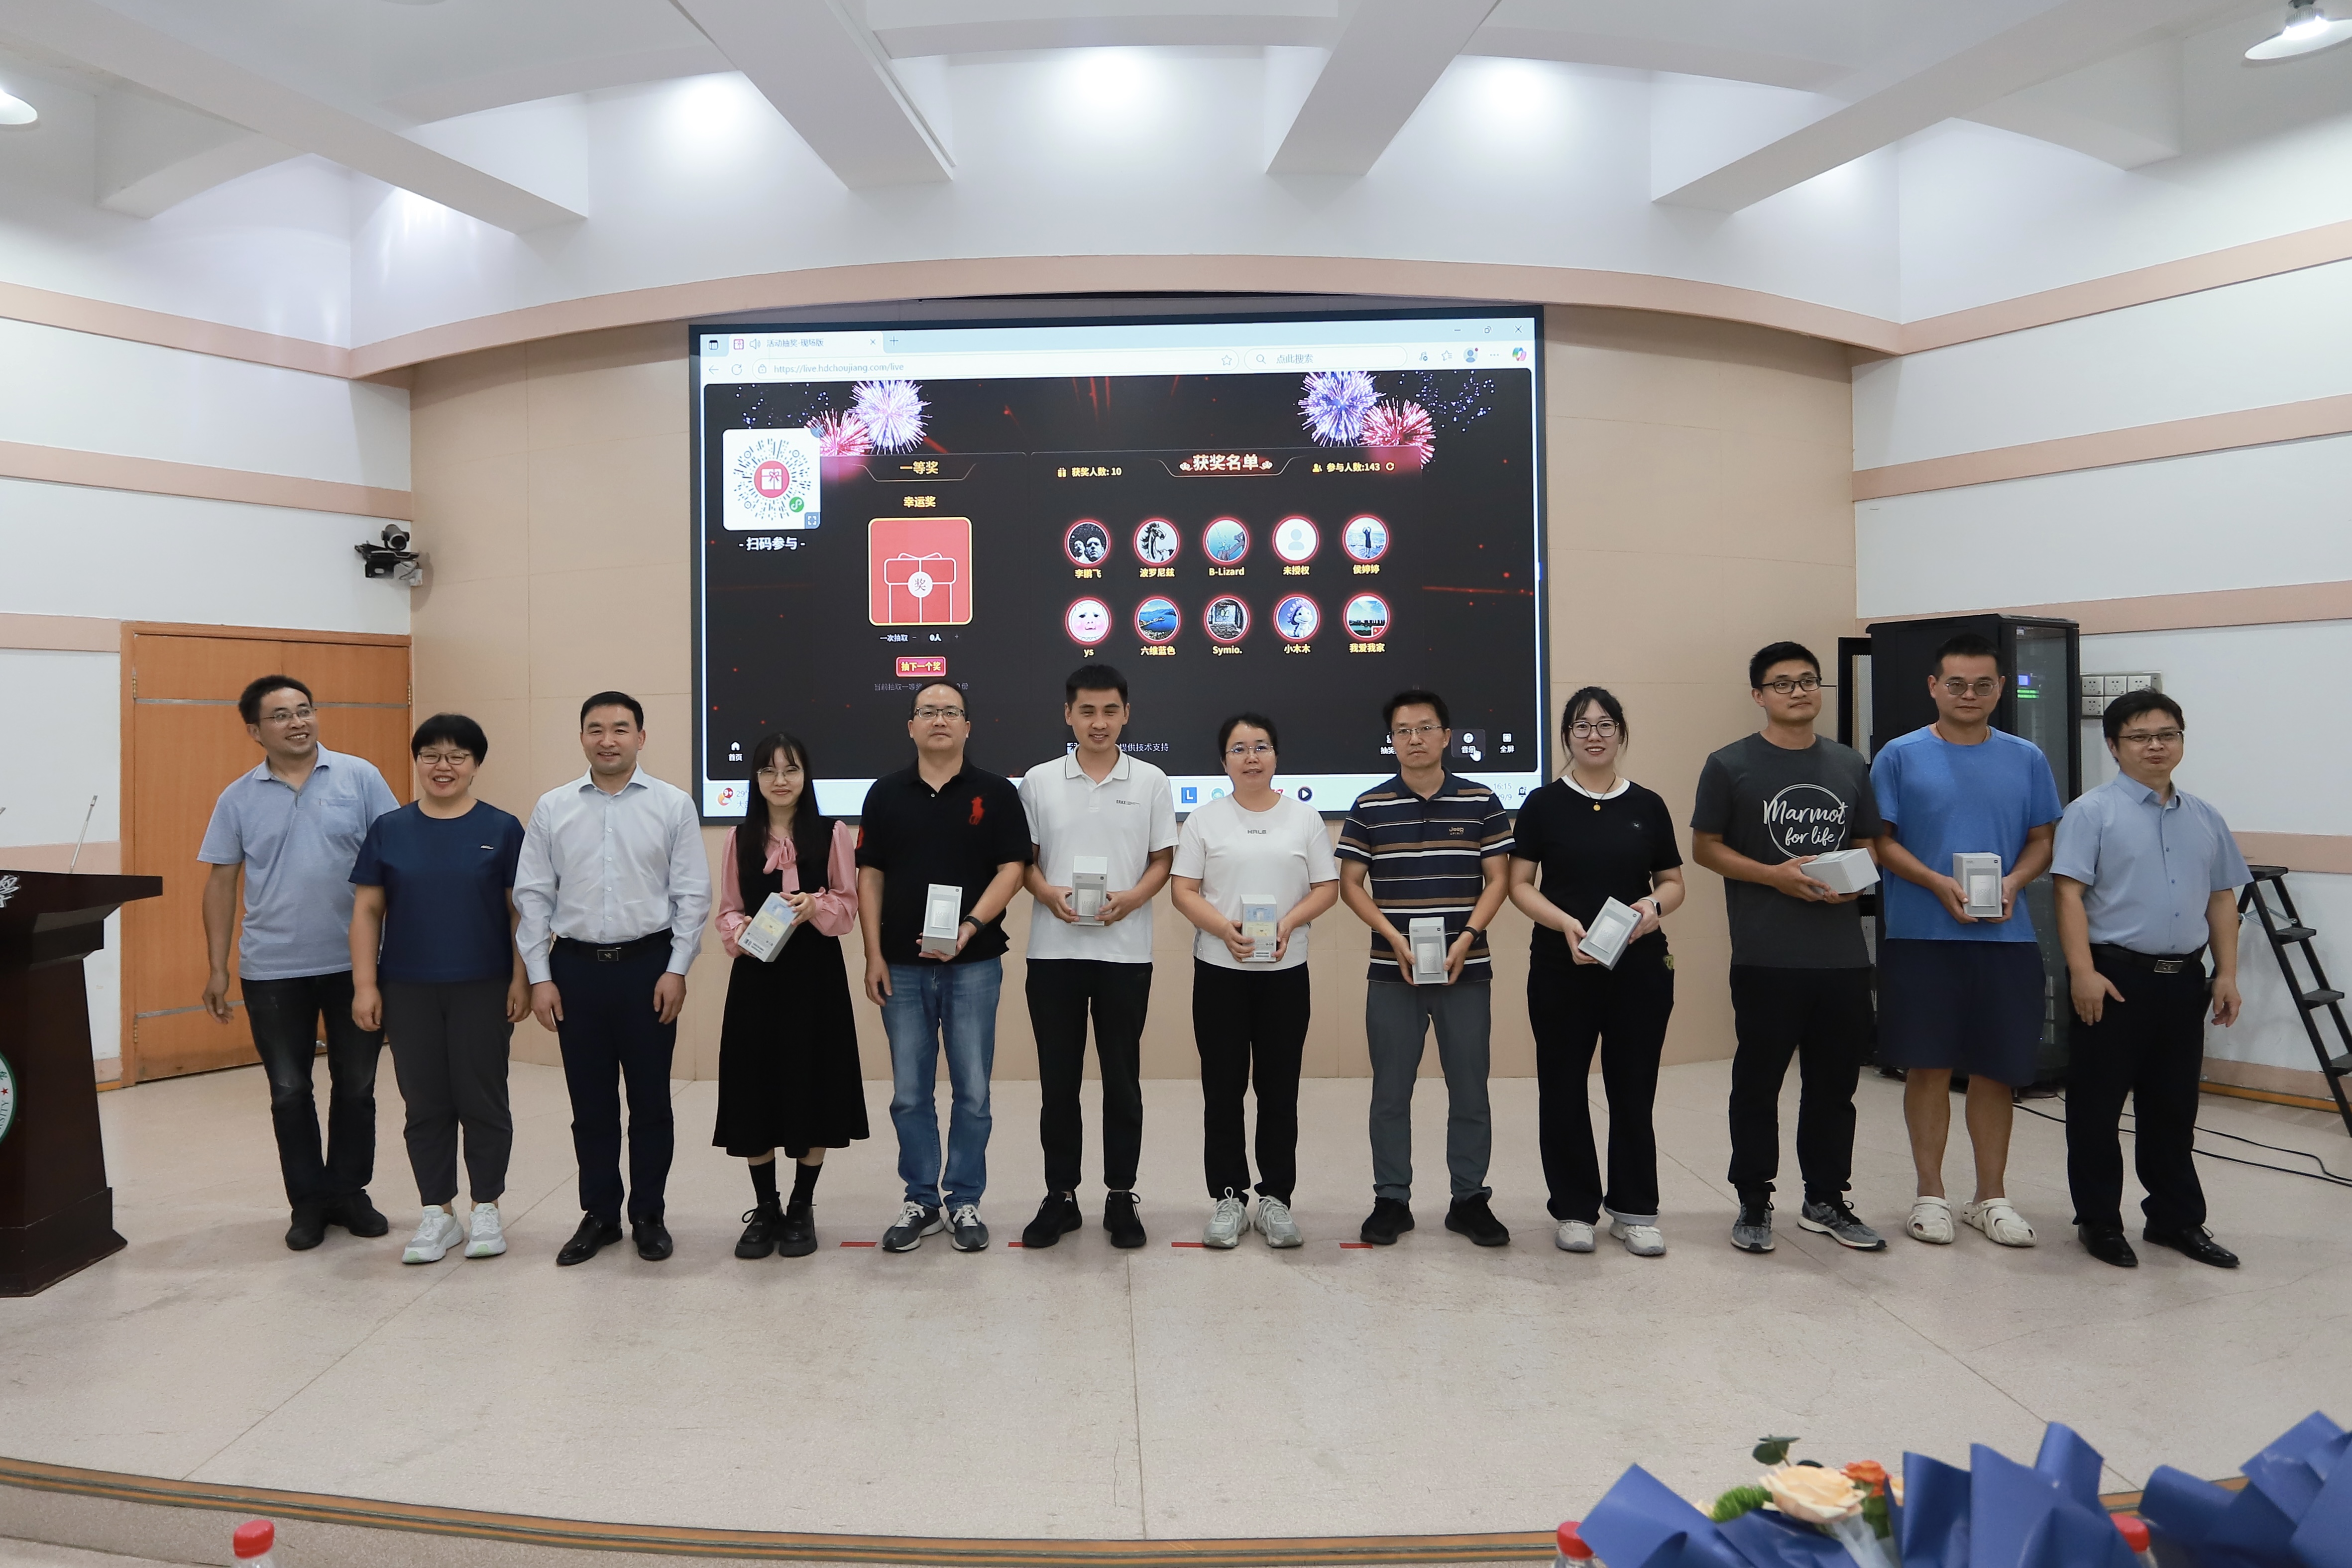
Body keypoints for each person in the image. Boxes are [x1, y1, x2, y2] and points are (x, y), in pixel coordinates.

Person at [1691, 643, 1888, 1255]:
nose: (1798, 692)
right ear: (1759, 695)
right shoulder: (1729, 765)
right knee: (1758, 1085)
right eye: (1782, 684)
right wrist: (1774, 876)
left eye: (1808, 681)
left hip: (1841, 956)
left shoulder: (1849, 763)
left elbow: (1869, 843)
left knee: (1834, 1088)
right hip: (1765, 953)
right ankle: (1754, 1199)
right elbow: (1705, 847)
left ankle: (1825, 1199)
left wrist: (1853, 880)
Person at [1871, 633, 2062, 1251]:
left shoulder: (2026, 758)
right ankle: (1930, 1195)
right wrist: (1935, 882)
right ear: (1934, 687)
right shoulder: (1899, 756)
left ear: (2001, 689)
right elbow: (1879, 841)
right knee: (1927, 1066)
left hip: (2006, 936)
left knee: (1997, 1071)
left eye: (1983, 685)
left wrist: (2015, 882)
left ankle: (1990, 1198)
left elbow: (2042, 839)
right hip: (1920, 935)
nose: (1969, 695)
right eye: (1956, 684)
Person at [199, 674, 400, 1251]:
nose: (298, 723)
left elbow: (397, 859)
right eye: (282, 715)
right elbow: (221, 882)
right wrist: (217, 966)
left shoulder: (359, 777)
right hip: (272, 968)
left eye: (304, 710)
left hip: (356, 965)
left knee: (357, 1086)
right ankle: (308, 1202)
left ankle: (350, 1192)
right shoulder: (237, 798)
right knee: (289, 1089)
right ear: (255, 731)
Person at [515, 692, 711, 1266]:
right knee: (591, 1105)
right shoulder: (553, 807)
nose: (608, 740)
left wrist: (677, 968)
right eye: (596, 729)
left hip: (649, 969)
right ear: (582, 737)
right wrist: (540, 976)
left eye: (621, 729)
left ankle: (649, 1215)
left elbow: (692, 896)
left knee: (651, 1103)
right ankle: (600, 1215)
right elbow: (533, 896)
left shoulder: (672, 805)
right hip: (574, 970)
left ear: (640, 738)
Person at [2053, 690, 2247, 1270]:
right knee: (2096, 1110)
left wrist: (2227, 973)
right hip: (2114, 978)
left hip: (2184, 980)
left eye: (2167, 735)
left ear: (2181, 741)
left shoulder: (2206, 817)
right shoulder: (2091, 812)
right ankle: (2099, 1222)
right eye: (2140, 737)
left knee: (2173, 1109)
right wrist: (2083, 971)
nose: (2156, 746)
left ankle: (2175, 1220)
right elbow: (2068, 895)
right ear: (2114, 746)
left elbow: (2221, 898)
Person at [1508, 687, 1685, 1257]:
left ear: (1620, 733)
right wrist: (1564, 923)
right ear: (1566, 736)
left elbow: (1673, 883)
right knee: (1562, 1088)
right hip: (1562, 966)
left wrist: (1652, 907)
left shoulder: (1648, 805)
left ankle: (1634, 1210)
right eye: (1582, 726)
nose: (1594, 735)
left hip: (1639, 970)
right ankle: (1574, 1208)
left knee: (1633, 1088)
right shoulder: (1543, 804)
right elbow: (1518, 885)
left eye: (1605, 725)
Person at [347, 714, 528, 1265]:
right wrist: (365, 985)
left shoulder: (502, 828)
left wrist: (522, 978)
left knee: (483, 1099)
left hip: (483, 986)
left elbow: (520, 913)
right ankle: (438, 1213)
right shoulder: (390, 828)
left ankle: (486, 1206)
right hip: (408, 988)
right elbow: (367, 910)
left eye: (457, 756)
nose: (442, 766)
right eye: (431, 755)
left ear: (476, 765)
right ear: (417, 761)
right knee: (424, 1103)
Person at [855, 682, 1030, 1253]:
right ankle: (921, 1200)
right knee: (910, 1093)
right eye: (927, 712)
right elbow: (870, 875)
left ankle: (964, 1199)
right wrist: (873, 954)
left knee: (973, 1090)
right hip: (902, 969)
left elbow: (1013, 869)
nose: (939, 720)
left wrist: (970, 927)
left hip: (973, 966)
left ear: (967, 726)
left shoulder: (996, 793)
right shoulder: (885, 794)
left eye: (951, 712)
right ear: (911, 726)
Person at [1338, 689, 1514, 1247]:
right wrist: (1392, 938)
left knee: (1470, 1090)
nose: (1414, 739)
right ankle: (1391, 1199)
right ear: (1391, 740)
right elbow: (1350, 884)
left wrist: (1467, 938)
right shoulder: (1369, 806)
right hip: (1392, 972)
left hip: (1467, 970)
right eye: (1403, 731)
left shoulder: (1481, 800)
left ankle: (1469, 1199)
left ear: (1446, 736)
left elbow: (1500, 879)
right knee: (1390, 1092)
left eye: (1425, 728)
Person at [1016, 664, 1178, 1250]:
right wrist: (1046, 894)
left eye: (1110, 711)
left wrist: (1133, 899)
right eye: (1087, 711)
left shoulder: (1152, 780)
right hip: (1053, 953)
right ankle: (1060, 1196)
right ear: (1069, 715)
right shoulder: (1038, 781)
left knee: (1122, 1081)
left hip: (1124, 955)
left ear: (1126, 714)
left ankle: (1120, 1195)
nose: (1099, 722)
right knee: (1058, 1083)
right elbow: (1025, 862)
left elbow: (1162, 860)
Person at [1169, 712, 1339, 1247]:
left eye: (1261, 746)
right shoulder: (1204, 821)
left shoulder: (1303, 819)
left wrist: (1288, 924)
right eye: (1239, 749)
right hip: (1220, 972)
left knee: (1278, 1090)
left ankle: (1275, 1199)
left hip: (1285, 975)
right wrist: (1225, 929)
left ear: (1276, 756)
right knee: (1222, 1090)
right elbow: (1183, 891)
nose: (1251, 757)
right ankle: (1228, 1197)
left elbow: (1327, 888)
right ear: (1224, 761)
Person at [711, 733, 868, 1260]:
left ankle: (801, 1206)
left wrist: (815, 906)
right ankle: (766, 1207)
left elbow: (848, 905)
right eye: (769, 771)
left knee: (814, 1080)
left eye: (791, 769)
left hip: (815, 978)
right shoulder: (740, 837)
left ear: (806, 776)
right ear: (756, 779)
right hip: (757, 979)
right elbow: (727, 910)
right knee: (753, 1084)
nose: (781, 780)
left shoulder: (833, 832)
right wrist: (745, 932)